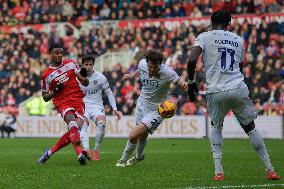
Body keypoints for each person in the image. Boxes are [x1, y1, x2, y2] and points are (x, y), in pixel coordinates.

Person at [186, 10, 280, 180]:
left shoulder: (205, 36)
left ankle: (218, 172)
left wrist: (192, 82)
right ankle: (270, 169)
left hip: (216, 90)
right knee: (250, 127)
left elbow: (192, 60)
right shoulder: (238, 39)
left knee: (216, 127)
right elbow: (240, 67)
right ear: (229, 23)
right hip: (238, 87)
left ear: (211, 22)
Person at [116, 49, 187, 167]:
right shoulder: (142, 64)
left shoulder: (168, 72)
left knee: (134, 135)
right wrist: (131, 75)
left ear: (161, 64)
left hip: (158, 109)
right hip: (142, 103)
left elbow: (180, 82)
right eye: (150, 66)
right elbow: (139, 71)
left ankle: (122, 161)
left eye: (155, 67)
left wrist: (185, 85)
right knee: (142, 135)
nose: (152, 69)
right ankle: (139, 157)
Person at [37, 44, 89, 165]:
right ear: (50, 54)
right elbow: (45, 97)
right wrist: (55, 91)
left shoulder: (71, 63)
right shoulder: (46, 75)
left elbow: (85, 83)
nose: (60, 55)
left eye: (61, 53)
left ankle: (48, 153)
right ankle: (80, 155)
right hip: (63, 102)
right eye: (57, 53)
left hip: (78, 100)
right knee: (72, 123)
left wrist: (85, 76)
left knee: (75, 131)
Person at [79, 55, 122, 160]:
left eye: (90, 64)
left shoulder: (100, 77)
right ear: (82, 65)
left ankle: (96, 150)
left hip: (97, 106)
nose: (88, 67)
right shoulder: (77, 77)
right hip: (83, 106)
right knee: (83, 126)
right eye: (86, 64)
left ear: (93, 65)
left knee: (102, 124)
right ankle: (86, 150)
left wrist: (115, 108)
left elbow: (109, 93)